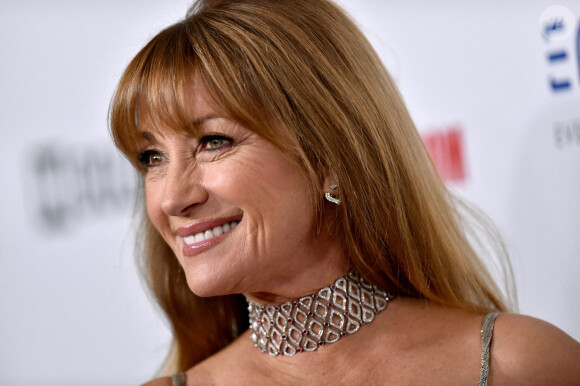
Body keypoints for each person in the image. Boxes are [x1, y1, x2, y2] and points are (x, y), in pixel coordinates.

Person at [109, 0, 580, 384]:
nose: (171, 199)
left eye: (214, 142)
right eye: (153, 158)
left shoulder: (520, 366)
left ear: (331, 157)